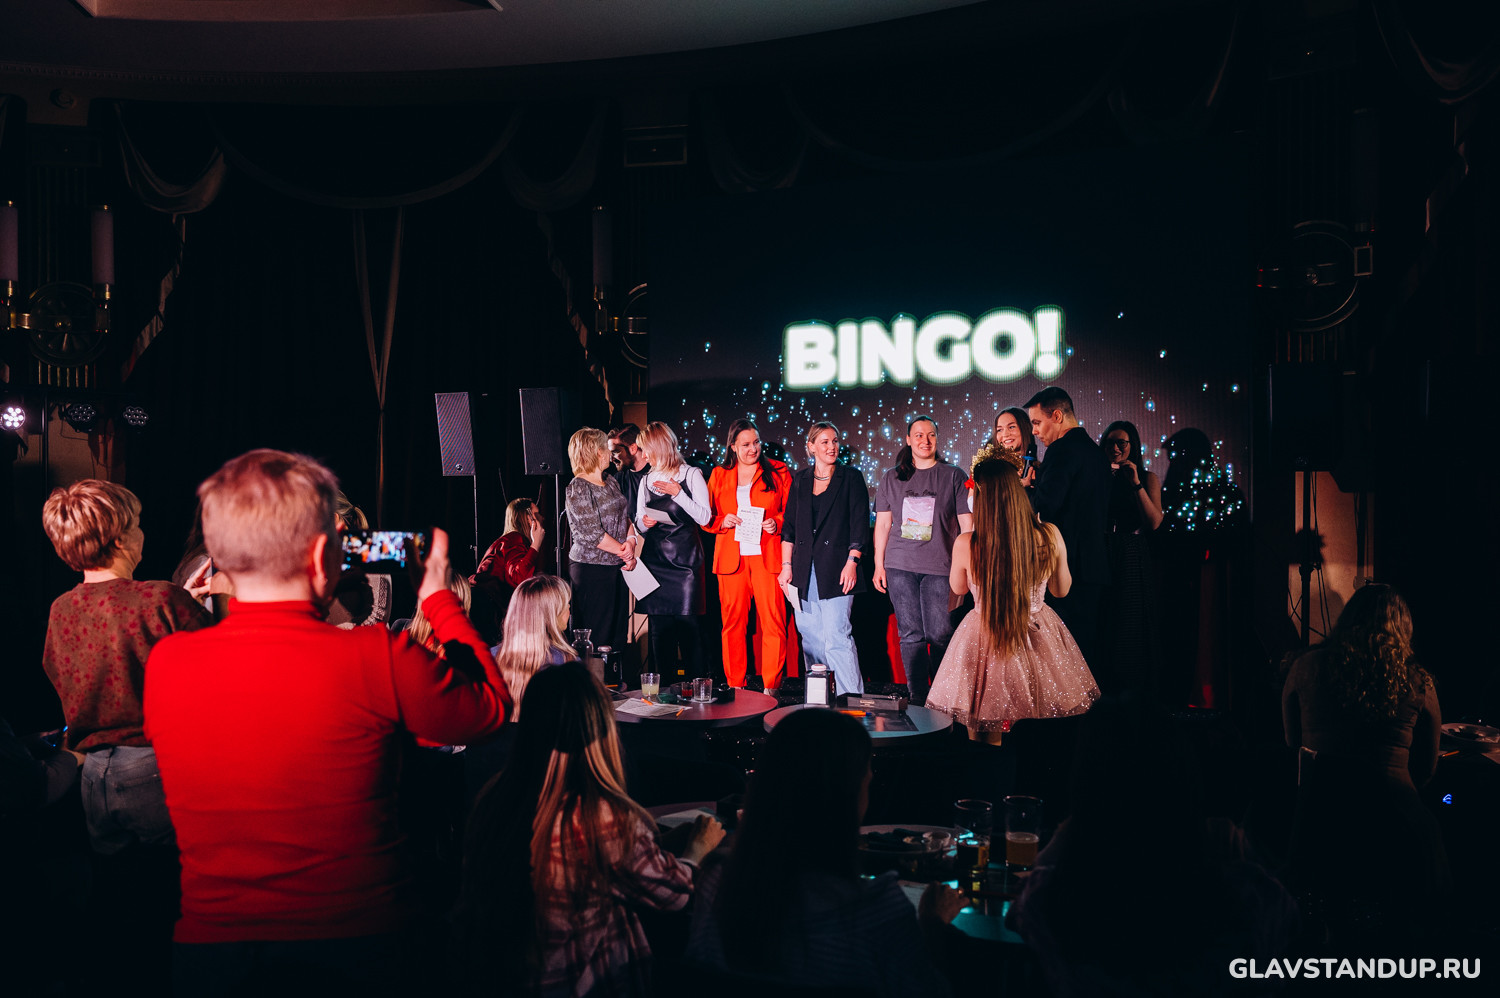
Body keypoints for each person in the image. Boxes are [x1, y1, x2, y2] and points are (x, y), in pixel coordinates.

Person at [144, 449, 510, 993]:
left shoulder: (166, 663)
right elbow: (490, 711)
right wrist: (438, 599)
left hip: (213, 956)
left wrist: (193, 610)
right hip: (361, 948)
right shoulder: (374, 655)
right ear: (321, 556)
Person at [454, 662, 725, 997]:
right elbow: (672, 894)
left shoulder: (496, 798)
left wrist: (657, 840)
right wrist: (698, 849)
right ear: (600, 730)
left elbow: (609, 861)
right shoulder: (600, 815)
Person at [1016, 696, 1299, 996]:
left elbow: (1029, 892)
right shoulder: (1253, 898)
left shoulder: (1047, 902)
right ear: (1186, 774)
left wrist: (1082, 822)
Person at [688, 708, 963, 996]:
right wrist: (933, 925)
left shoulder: (715, 883)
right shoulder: (878, 911)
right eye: (866, 781)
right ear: (849, 798)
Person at [40, 479, 214, 854]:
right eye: (136, 524)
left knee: (117, 884)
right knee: (170, 878)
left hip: (92, 777)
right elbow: (219, 660)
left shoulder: (60, 608)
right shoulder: (160, 599)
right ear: (120, 540)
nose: (141, 533)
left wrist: (183, 598)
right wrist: (188, 603)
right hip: (154, 769)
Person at [1281, 583, 1447, 903]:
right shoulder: (1418, 682)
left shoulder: (1305, 667)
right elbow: (1427, 768)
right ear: (1403, 628)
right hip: (1395, 819)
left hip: (1319, 819)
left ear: (1347, 619)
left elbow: (1293, 747)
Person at [926, 454, 1098, 742]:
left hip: (984, 635)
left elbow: (958, 588)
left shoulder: (967, 543)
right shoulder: (1049, 535)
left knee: (984, 729)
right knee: (1036, 727)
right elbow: (1061, 590)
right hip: (1037, 634)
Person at [873, 415, 972, 703]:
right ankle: (917, 696)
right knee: (910, 634)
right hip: (900, 566)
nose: (925, 441)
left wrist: (968, 564)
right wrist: (878, 564)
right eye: (918, 435)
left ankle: (942, 695)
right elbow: (883, 525)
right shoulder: (891, 477)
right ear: (908, 440)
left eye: (930, 435)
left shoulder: (953, 475)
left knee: (940, 633)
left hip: (941, 566)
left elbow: (967, 524)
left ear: (937, 439)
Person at [465, 574, 578, 802]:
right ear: (551, 614)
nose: (569, 611)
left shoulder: (486, 660)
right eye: (566, 605)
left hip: (486, 787)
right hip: (547, 788)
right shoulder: (566, 664)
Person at [778, 421, 870, 697]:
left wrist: (852, 562)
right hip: (803, 571)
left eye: (835, 441)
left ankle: (850, 699)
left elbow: (859, 525)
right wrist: (786, 567)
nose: (832, 447)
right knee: (812, 639)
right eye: (825, 442)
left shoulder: (851, 477)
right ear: (811, 447)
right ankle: (820, 700)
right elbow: (789, 528)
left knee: (836, 637)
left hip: (837, 569)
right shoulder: (800, 480)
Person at [1024, 386, 1111, 675]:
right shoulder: (1096, 452)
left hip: (1068, 567)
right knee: (1088, 650)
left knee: (1064, 656)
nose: (1035, 431)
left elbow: (1047, 505)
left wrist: (1028, 490)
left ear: (1057, 416)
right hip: (1095, 564)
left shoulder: (1060, 450)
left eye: (1037, 422)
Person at [706, 418, 791, 690]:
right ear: (732, 446)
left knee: (774, 624)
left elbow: (792, 513)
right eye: (745, 444)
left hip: (767, 558)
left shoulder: (778, 471)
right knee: (732, 625)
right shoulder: (719, 475)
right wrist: (723, 521)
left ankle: (771, 687)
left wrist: (776, 522)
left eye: (756, 443)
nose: (752, 449)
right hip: (732, 561)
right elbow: (706, 517)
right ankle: (736, 686)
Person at [634, 422, 712, 680]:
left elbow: (704, 517)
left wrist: (678, 494)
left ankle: (698, 690)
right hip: (656, 561)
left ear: (659, 447)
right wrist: (644, 524)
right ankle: (663, 692)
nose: (644, 455)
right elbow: (638, 521)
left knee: (689, 628)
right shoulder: (646, 480)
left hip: (685, 563)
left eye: (646, 449)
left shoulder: (691, 475)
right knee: (660, 631)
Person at [1097, 420, 1162, 695]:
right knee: (1102, 618)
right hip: (1101, 547)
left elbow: (1154, 522)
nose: (1115, 448)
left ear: (1132, 445)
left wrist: (1135, 483)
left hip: (1131, 549)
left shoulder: (1147, 478)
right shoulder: (1097, 476)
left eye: (1121, 443)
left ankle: (1133, 689)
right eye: (1110, 442)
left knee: (1131, 619)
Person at [566, 427, 636, 654]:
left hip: (616, 567)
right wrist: (624, 552)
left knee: (617, 634)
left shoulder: (611, 480)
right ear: (597, 452)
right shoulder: (579, 486)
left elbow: (624, 517)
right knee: (596, 635)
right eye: (607, 448)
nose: (610, 453)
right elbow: (591, 533)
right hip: (591, 570)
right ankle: (592, 677)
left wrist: (631, 542)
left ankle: (613, 676)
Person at [472, 497, 547, 609]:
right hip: (488, 606)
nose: (542, 518)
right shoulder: (515, 539)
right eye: (537, 514)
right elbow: (519, 579)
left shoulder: (510, 539)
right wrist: (536, 544)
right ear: (528, 518)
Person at [609, 423, 651, 515]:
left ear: (633, 448)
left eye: (615, 452)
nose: (611, 459)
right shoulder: (618, 479)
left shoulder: (657, 475)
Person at [993, 405, 1038, 483]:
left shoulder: (1041, 471)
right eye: (999, 430)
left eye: (1011, 427)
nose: (1005, 434)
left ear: (1025, 429)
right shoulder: (989, 470)